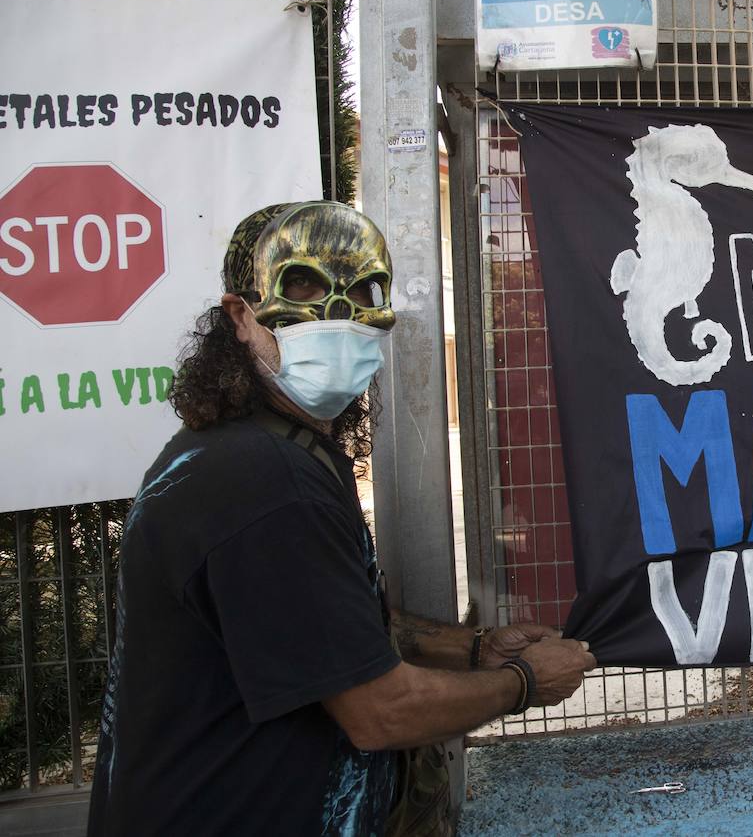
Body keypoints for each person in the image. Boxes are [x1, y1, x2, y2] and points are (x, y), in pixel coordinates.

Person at [87, 201, 596, 836]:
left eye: (362, 291)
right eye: (302, 286)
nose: (338, 316)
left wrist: (471, 647)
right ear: (241, 317)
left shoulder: (263, 449)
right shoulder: (262, 482)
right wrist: (523, 683)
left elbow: (323, 618)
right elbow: (381, 711)